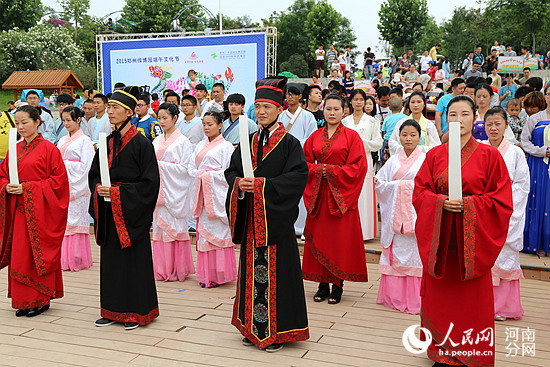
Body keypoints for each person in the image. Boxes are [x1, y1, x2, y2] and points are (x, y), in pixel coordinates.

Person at [413, 95, 513, 367]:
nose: (458, 120)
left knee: (470, 303)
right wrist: (440, 203)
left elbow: (501, 200)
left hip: (472, 245)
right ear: (446, 120)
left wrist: (469, 205)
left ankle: (471, 352)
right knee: (440, 299)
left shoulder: (489, 156)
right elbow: (420, 193)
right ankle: (442, 352)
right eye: (453, 115)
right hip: (441, 242)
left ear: (474, 118)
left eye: (465, 114)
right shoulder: (434, 155)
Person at [225, 76, 309, 351]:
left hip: (275, 220)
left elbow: (298, 177)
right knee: (250, 270)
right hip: (251, 219)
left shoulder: (289, 144)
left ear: (279, 109)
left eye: (267, 107)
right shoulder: (246, 142)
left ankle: (279, 331)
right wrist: (239, 184)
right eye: (258, 106)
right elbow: (231, 171)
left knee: (278, 274)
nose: (261, 112)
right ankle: (251, 325)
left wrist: (261, 185)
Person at [89, 86, 160, 330]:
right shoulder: (106, 142)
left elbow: (150, 184)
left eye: (115, 108)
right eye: (108, 108)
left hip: (131, 212)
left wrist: (119, 194)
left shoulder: (142, 144)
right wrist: (99, 188)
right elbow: (94, 175)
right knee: (111, 262)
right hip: (109, 210)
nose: (109, 112)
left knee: (133, 262)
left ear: (129, 112)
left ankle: (136, 312)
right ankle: (112, 310)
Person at [0, 105, 69, 317]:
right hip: (19, 213)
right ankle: (23, 301)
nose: (20, 127)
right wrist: (6, 187)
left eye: (25, 122)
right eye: (17, 123)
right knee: (20, 256)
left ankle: (41, 300)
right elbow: (3, 175)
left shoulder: (50, 149)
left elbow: (58, 183)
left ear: (37, 122)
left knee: (37, 256)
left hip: (40, 214)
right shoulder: (15, 150)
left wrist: (27, 188)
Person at [302, 93, 368, 305]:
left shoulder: (352, 137)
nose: (332, 112)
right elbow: (303, 164)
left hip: (341, 198)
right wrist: (318, 169)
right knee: (321, 238)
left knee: (339, 241)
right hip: (319, 195)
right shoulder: (314, 136)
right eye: (328, 109)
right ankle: (322, 284)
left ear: (344, 111)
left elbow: (358, 168)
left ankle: (337, 284)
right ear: (323, 110)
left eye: (336, 109)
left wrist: (328, 170)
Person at [481, 107, 529, 321]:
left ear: (506, 125)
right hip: (482, 209)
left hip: (506, 210)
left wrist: (501, 201)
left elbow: (522, 185)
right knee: (483, 257)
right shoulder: (479, 149)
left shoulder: (516, 152)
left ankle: (503, 307)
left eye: (497, 123)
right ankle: (482, 303)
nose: (493, 128)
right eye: (489, 124)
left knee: (505, 256)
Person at [375, 119, 425, 314]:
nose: (408, 138)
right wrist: (402, 186)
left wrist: (405, 186)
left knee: (415, 255)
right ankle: (394, 296)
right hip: (395, 216)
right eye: (404, 135)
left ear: (420, 137)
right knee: (396, 255)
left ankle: (416, 298)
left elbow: (428, 186)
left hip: (416, 213)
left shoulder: (425, 158)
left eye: (413, 135)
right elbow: (380, 183)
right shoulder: (394, 159)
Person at [189, 111, 237, 288]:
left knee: (219, 232)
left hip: (217, 194)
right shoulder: (200, 144)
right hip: (202, 192)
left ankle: (221, 274)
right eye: (204, 124)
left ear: (219, 126)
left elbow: (228, 172)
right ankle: (206, 274)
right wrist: (198, 174)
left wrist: (207, 176)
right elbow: (190, 166)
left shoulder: (226, 147)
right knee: (204, 235)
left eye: (210, 124)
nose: (206, 128)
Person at [150, 102, 195, 282]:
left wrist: (160, 166)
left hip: (174, 192)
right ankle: (162, 269)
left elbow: (186, 169)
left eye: (165, 118)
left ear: (175, 118)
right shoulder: (156, 140)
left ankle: (177, 269)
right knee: (160, 228)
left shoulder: (183, 142)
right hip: (159, 190)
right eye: (159, 118)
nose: (161, 122)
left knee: (175, 228)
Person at [57, 107, 95, 272]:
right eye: (63, 120)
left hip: (78, 186)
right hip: (63, 183)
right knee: (64, 220)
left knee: (77, 220)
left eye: (69, 120)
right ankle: (65, 257)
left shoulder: (85, 140)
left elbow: (87, 166)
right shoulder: (61, 140)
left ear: (78, 120)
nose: (66, 124)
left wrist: (65, 165)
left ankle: (77, 258)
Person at [342, 89, 383, 240]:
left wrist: (360, 143)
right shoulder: (345, 121)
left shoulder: (372, 121)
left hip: (365, 160)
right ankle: (348, 232)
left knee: (365, 194)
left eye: (361, 99)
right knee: (349, 193)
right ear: (350, 102)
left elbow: (378, 143)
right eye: (356, 99)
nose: (358, 102)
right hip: (348, 161)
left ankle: (365, 233)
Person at [522, 84, 550, 255]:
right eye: (549, 94)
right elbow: (525, 142)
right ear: (545, 96)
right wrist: (542, 151)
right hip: (538, 166)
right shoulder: (535, 118)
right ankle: (536, 242)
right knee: (539, 200)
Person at [435, 78, 466, 143]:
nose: (463, 90)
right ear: (453, 89)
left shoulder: (466, 99)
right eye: (460, 88)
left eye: (464, 88)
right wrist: (439, 130)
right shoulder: (443, 99)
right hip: (446, 131)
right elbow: (438, 115)